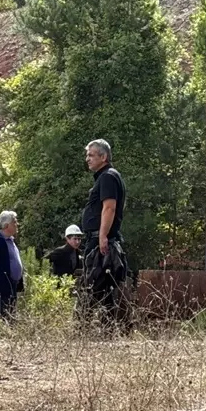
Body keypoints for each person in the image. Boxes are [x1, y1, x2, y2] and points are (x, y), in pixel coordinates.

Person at [80, 138, 129, 326]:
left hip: (100, 240)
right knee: (102, 286)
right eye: (87, 155)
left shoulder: (108, 176)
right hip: (99, 239)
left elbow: (109, 208)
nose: (87, 159)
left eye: (91, 155)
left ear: (104, 156)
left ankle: (93, 329)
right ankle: (104, 329)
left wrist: (102, 236)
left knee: (96, 285)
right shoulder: (106, 176)